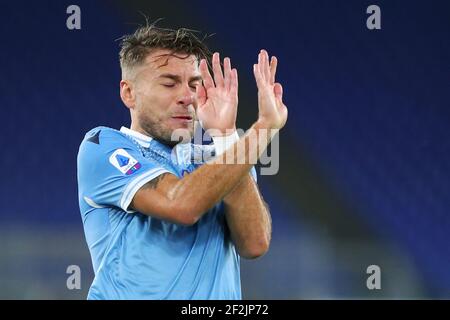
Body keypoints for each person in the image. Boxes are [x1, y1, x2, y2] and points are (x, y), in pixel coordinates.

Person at [77, 23, 288, 300]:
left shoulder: (223, 158)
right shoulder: (102, 146)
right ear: (129, 93)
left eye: (194, 84)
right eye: (169, 83)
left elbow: (254, 243)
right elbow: (180, 205)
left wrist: (226, 137)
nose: (187, 97)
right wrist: (264, 128)